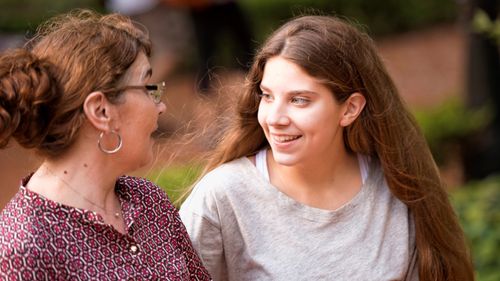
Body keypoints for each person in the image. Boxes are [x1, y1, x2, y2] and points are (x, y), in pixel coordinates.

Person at [179, 15, 474, 280]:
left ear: (350, 109)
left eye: (299, 100)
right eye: (267, 96)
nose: (274, 118)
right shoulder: (222, 197)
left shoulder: (396, 188)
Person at [0, 9, 211, 280]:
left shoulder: (149, 201)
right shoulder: (23, 250)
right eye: (148, 87)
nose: (161, 106)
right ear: (101, 111)